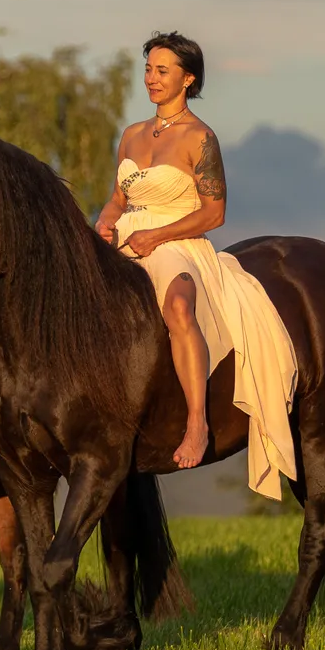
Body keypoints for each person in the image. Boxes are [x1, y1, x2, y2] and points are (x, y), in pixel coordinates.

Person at [94, 31, 228, 469]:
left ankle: (196, 422)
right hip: (129, 239)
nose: (151, 78)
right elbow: (118, 199)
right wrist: (104, 221)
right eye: (148, 68)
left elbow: (214, 213)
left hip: (179, 242)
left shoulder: (200, 137)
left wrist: (157, 237)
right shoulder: (132, 135)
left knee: (178, 308)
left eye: (162, 70)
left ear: (187, 79)